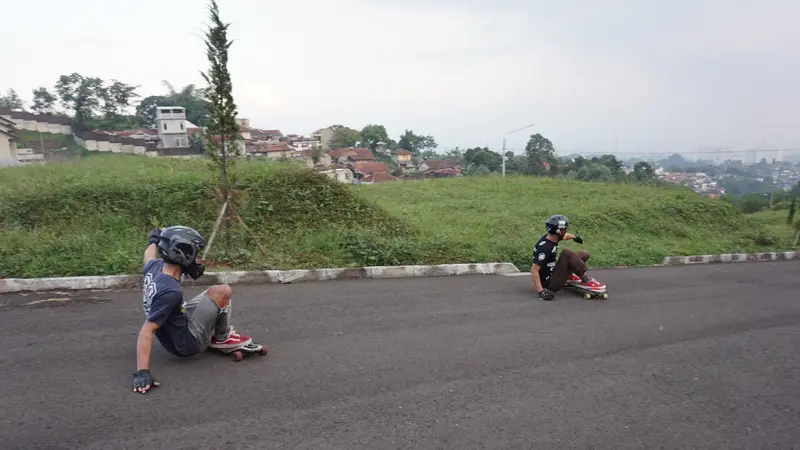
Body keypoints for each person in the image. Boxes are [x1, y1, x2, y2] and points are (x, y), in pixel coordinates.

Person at [132, 225, 254, 394]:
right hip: (187, 343)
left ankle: (216, 333)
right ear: (183, 254)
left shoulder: (155, 268)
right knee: (223, 291)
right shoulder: (170, 292)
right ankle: (222, 338)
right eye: (194, 253)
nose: (195, 258)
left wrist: (153, 239)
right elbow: (146, 329)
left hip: (175, 323)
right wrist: (142, 372)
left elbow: (148, 255)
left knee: (211, 294)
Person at [531, 214, 605, 301]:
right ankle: (586, 280)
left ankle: (569, 276)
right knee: (567, 253)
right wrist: (541, 292)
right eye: (564, 230)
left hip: (553, 272)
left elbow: (565, 236)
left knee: (584, 254)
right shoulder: (545, 248)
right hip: (550, 283)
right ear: (560, 231)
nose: (565, 232)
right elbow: (534, 270)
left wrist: (575, 237)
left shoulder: (551, 237)